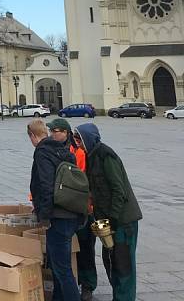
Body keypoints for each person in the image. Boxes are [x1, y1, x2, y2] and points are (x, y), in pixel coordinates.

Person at [74, 124, 142, 301]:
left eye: (79, 139)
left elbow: (118, 190)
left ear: (88, 138)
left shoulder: (106, 156)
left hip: (122, 221)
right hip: (109, 220)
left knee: (123, 265)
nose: (77, 143)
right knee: (111, 262)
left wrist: (112, 218)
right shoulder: (92, 156)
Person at [28, 118, 82, 301]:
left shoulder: (42, 152)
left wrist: (44, 215)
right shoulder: (64, 150)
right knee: (58, 266)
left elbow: (45, 184)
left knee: (62, 269)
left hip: (58, 216)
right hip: (71, 212)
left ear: (33, 136)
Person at [48, 119, 97, 301]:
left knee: (85, 248)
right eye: (51, 131)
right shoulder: (55, 151)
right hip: (65, 207)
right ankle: (69, 286)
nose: (53, 134)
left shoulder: (80, 153)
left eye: (57, 130)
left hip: (82, 206)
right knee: (66, 252)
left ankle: (87, 284)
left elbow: (80, 179)